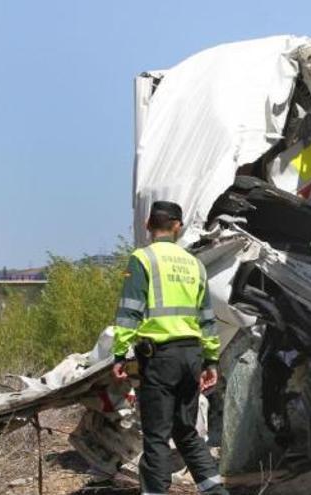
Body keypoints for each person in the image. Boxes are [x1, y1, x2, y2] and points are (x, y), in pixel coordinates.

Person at [111, 200, 228, 495]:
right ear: (178, 226)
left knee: (156, 437)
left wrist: (120, 354)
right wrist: (211, 361)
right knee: (186, 431)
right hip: (192, 357)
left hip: (160, 359)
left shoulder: (143, 259)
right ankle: (216, 491)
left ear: (148, 224)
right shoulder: (195, 265)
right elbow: (207, 320)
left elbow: (129, 312)